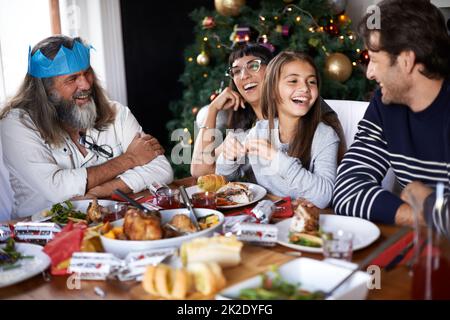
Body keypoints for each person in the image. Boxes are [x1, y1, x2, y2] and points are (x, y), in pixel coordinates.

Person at [0, 35, 173, 218]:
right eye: (72, 78)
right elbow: (56, 188)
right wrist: (130, 159)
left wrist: (98, 192)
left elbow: (162, 169)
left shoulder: (117, 113)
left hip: (111, 223)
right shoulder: (16, 125)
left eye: (87, 72)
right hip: (41, 235)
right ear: (47, 91)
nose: (86, 84)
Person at [332, 0, 450, 227]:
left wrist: (426, 200)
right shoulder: (385, 104)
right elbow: (347, 189)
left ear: (407, 60)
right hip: (421, 250)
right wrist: (424, 212)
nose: (369, 73)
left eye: (375, 60)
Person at [191, 43, 345, 180]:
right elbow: (200, 171)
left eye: (253, 65)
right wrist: (213, 109)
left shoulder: (303, 108)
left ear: (273, 71)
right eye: (236, 71)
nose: (244, 76)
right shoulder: (247, 131)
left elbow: (331, 174)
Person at [216, 51, 340, 208]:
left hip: (303, 223)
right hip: (268, 217)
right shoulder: (260, 131)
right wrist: (229, 158)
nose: (305, 88)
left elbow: (324, 197)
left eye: (312, 82)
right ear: (273, 90)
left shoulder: (325, 135)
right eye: (293, 81)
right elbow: (227, 179)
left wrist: (275, 158)